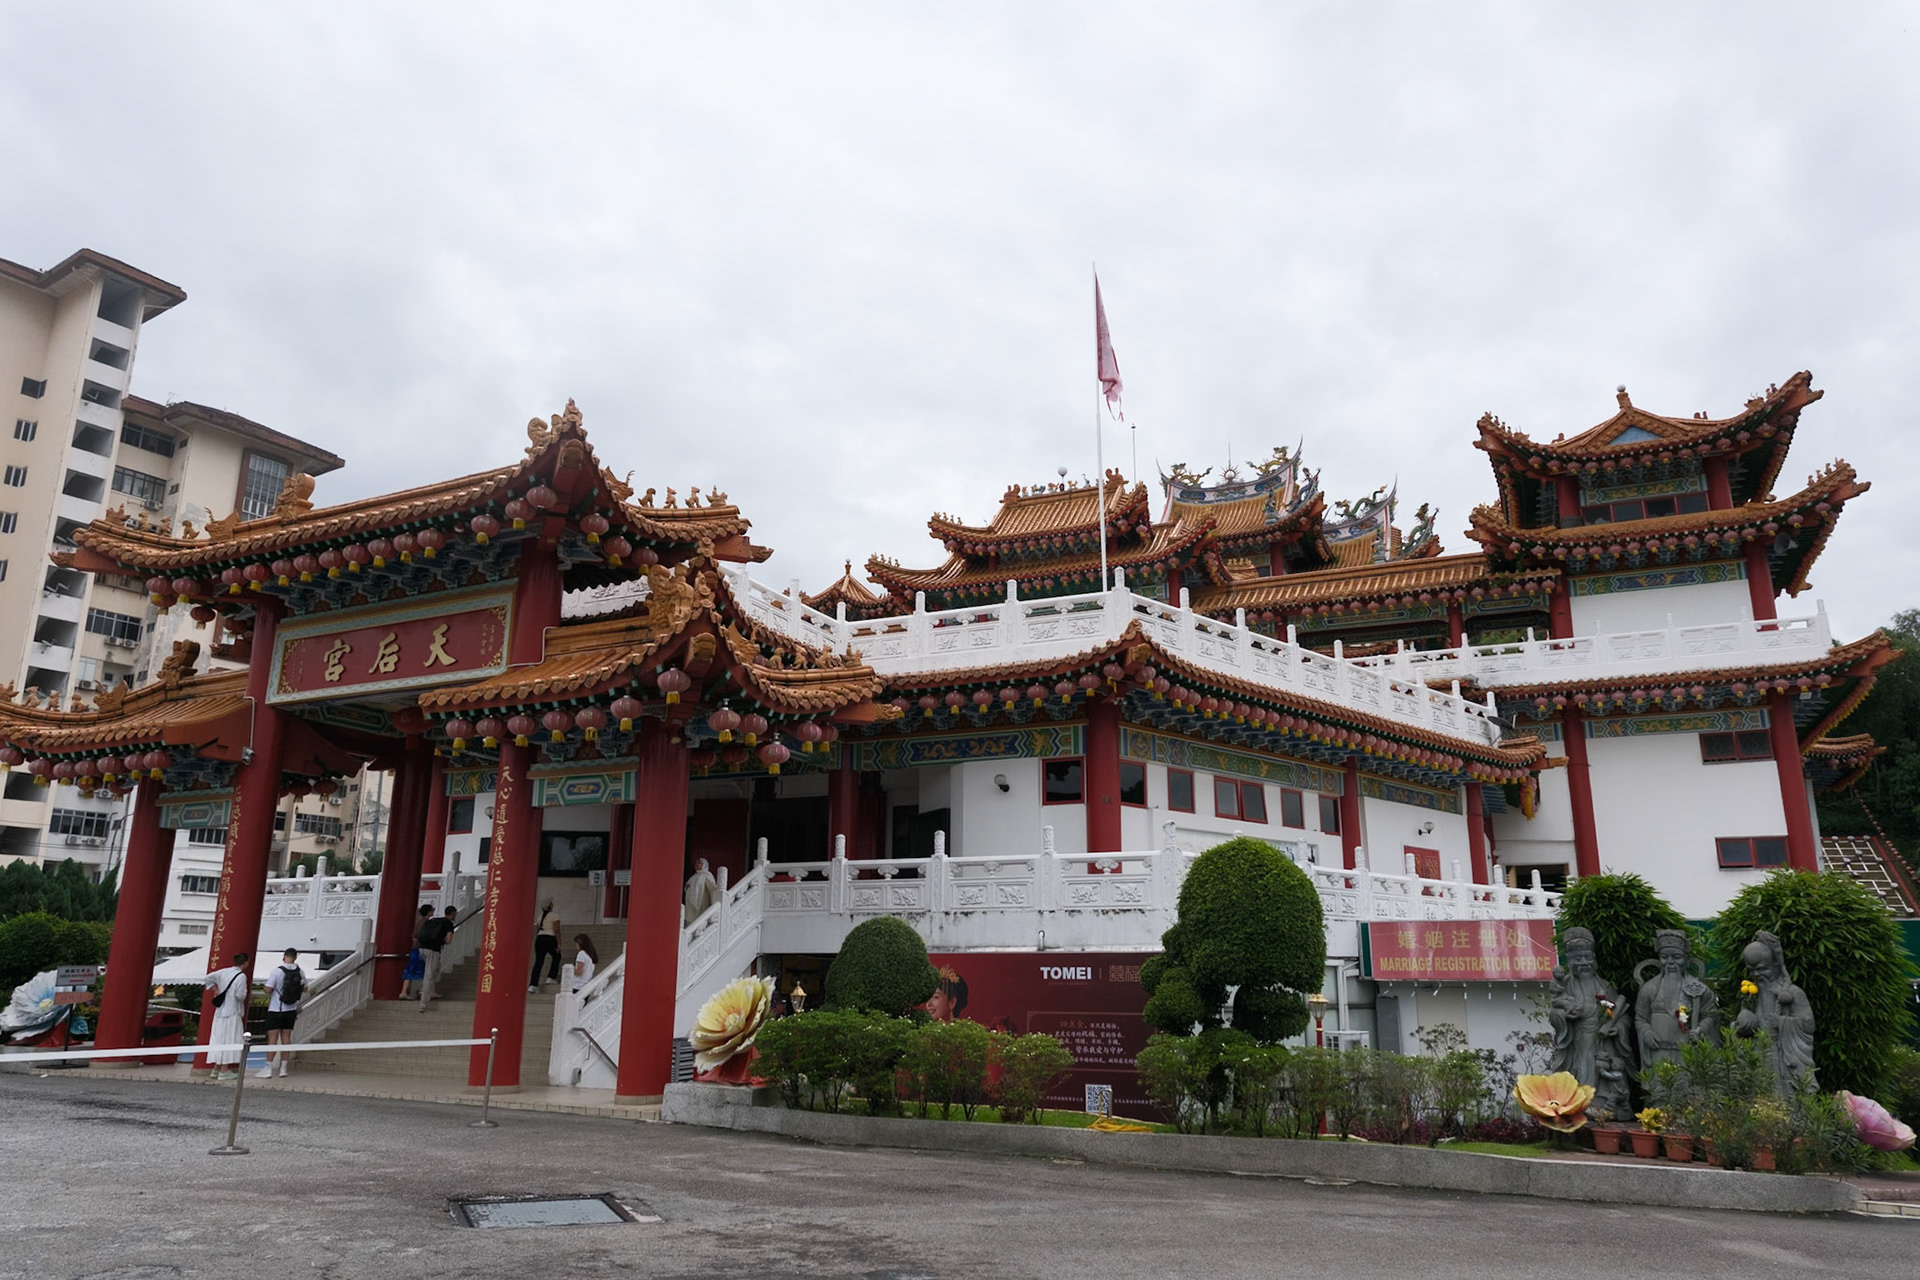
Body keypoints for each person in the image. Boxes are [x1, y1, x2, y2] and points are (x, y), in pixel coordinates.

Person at [200, 951, 252, 1082]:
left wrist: (216, 989)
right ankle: (224, 1070)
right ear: (245, 963)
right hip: (233, 1011)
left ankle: (216, 1068)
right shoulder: (241, 976)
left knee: (219, 1039)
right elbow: (240, 995)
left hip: (220, 1011)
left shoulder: (223, 972)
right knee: (230, 1039)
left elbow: (207, 978)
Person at [257, 947, 305, 1078]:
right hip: (291, 1010)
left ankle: (268, 1068)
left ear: (284, 957)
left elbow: (268, 990)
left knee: (272, 1039)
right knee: (286, 1039)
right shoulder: (300, 972)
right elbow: (304, 988)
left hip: (276, 1009)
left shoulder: (277, 971)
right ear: (295, 957)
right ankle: (283, 1068)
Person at [416, 903, 456, 1010]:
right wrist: (442, 941)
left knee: (435, 969)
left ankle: (430, 991)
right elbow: (449, 941)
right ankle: (423, 1003)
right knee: (429, 975)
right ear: (452, 914)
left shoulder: (435, 920)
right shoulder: (449, 924)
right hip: (433, 950)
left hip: (422, 948)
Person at [529, 900, 562, 991]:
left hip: (540, 939)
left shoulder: (540, 917)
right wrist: (559, 943)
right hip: (550, 938)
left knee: (538, 962)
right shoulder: (554, 916)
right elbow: (556, 930)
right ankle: (551, 977)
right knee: (557, 957)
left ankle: (533, 984)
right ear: (551, 906)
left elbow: (537, 929)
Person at [400, 906, 430, 998]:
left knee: (411, 969)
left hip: (415, 948)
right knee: (427, 969)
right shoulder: (426, 922)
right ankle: (423, 990)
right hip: (421, 948)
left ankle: (404, 991)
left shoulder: (419, 922)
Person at [683, 857, 719, 925]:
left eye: (699, 863)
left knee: (700, 921)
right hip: (691, 904)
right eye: (696, 863)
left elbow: (713, 888)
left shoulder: (707, 876)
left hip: (702, 903)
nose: (696, 864)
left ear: (704, 865)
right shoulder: (693, 877)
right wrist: (687, 888)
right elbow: (687, 887)